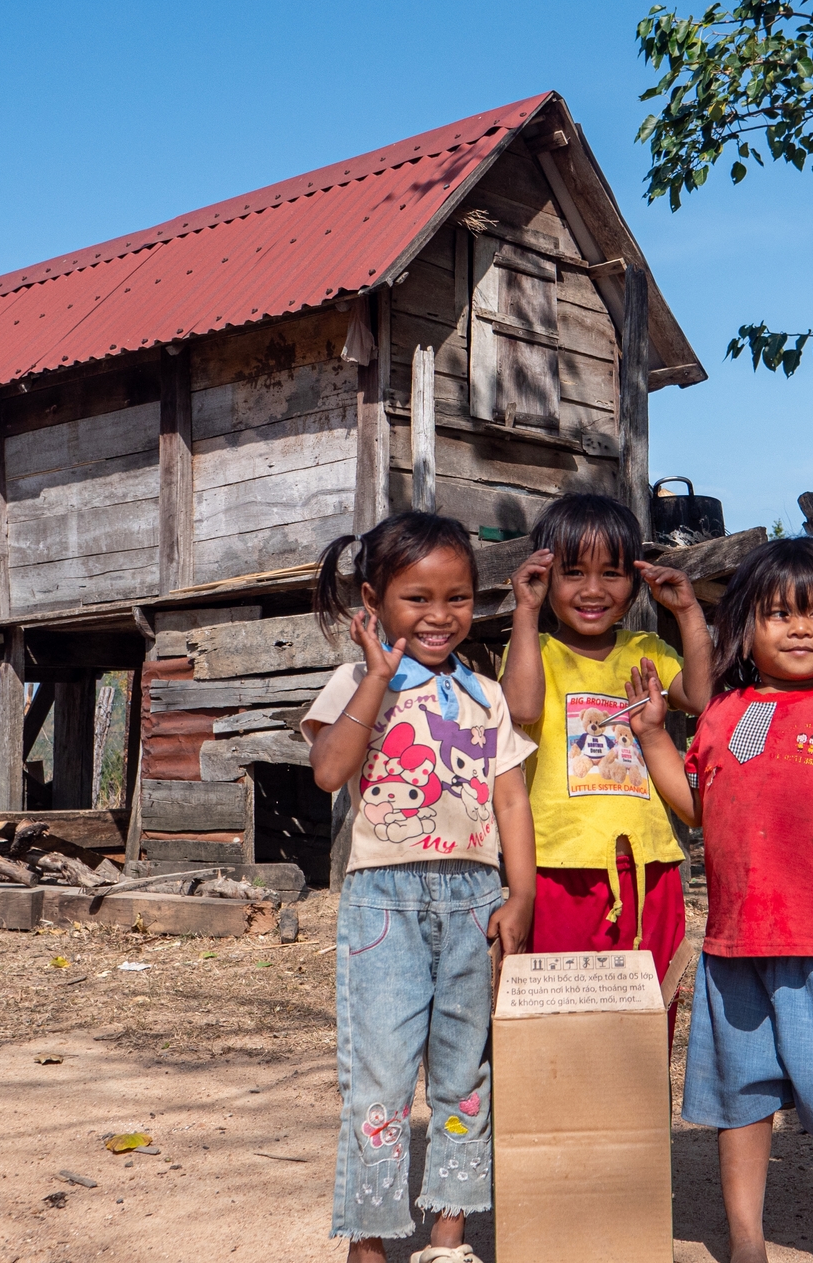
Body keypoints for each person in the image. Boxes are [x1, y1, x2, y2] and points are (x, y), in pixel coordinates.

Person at [624, 536, 813, 1263]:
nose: (800, 627)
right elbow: (696, 807)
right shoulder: (725, 716)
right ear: (745, 630)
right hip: (734, 950)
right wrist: (655, 736)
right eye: (779, 613)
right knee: (740, 1101)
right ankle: (745, 1239)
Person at [302, 512, 538, 1263]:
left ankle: (447, 1236)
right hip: (384, 905)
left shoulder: (486, 694)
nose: (440, 617)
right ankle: (368, 1242)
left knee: (464, 1076)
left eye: (459, 598)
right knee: (379, 1079)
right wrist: (376, 676)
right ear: (373, 602)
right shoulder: (353, 681)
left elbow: (510, 801)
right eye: (417, 598)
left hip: (474, 898)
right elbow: (330, 771)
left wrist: (521, 893)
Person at [500, 495, 712, 1013]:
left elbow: (703, 697)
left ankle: (635, 1099)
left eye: (612, 574)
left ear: (635, 583)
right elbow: (520, 705)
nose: (592, 591)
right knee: (559, 1015)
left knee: (643, 1013)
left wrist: (687, 612)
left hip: (646, 865)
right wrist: (525, 612)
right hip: (557, 865)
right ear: (546, 579)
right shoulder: (537, 652)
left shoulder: (646, 651)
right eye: (572, 573)